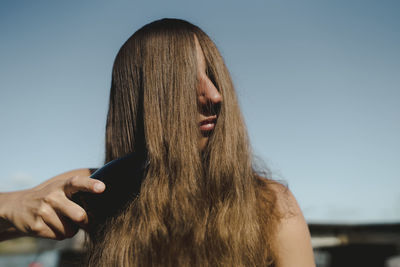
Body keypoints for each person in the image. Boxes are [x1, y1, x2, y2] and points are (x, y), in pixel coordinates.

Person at [0, 18, 315, 266]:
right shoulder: (98, 188)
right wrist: (11, 205)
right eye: (188, 79)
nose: (215, 96)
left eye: (213, 76)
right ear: (144, 98)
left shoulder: (270, 202)